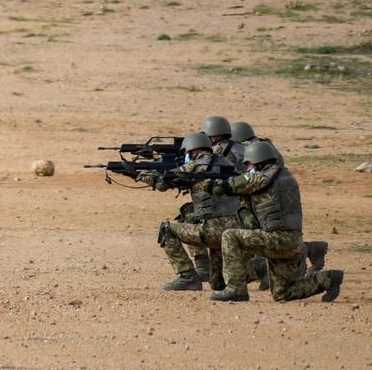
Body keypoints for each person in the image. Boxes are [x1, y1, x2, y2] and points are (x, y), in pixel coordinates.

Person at [210, 141, 343, 302]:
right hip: (291, 242)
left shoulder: (264, 176)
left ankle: (235, 289)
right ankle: (327, 279)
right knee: (282, 293)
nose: (247, 169)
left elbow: (236, 184)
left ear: (258, 161)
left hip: (277, 239)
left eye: (249, 164)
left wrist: (219, 185)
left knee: (230, 236)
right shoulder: (283, 175)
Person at [140, 132, 240, 291]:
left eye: (187, 153)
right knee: (217, 284)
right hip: (233, 233)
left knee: (167, 229)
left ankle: (188, 277)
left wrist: (141, 174)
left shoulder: (194, 166)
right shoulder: (227, 163)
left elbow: (162, 184)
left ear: (193, 150)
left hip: (212, 233)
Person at [230, 121, 327, 274]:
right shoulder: (264, 146)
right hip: (273, 192)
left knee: (259, 229)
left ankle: (269, 267)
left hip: (262, 192)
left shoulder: (248, 149)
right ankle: (310, 249)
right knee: (269, 232)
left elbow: (248, 176)